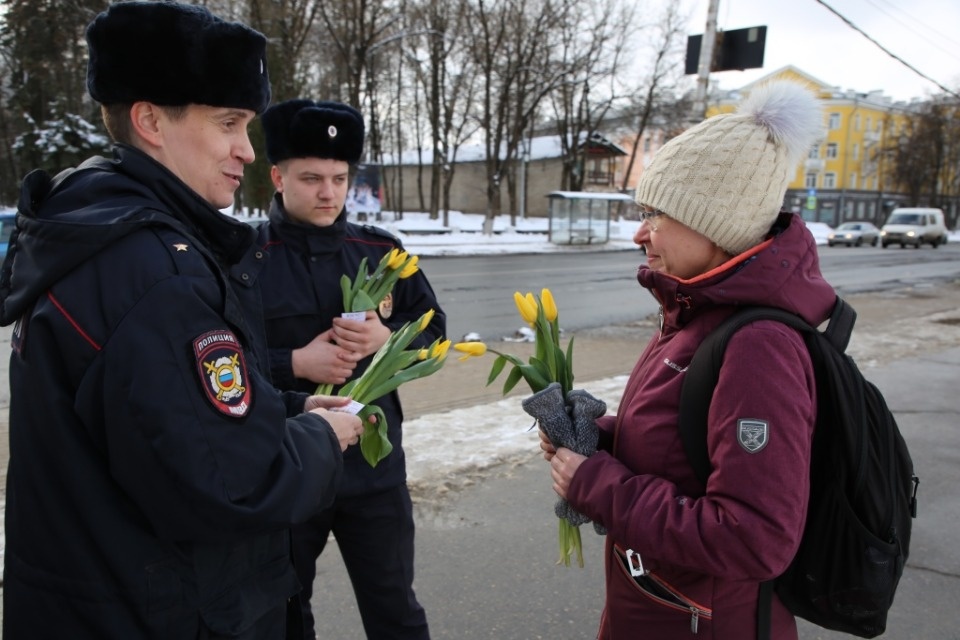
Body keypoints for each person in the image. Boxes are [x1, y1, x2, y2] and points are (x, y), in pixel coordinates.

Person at [0, 3, 365, 638]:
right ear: (149, 121)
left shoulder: (106, 230)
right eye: (228, 123)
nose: (246, 151)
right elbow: (233, 485)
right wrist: (323, 442)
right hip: (152, 610)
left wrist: (281, 409)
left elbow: (158, 414)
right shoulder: (152, 269)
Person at [538, 81, 835, 639]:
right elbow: (689, 446)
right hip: (663, 610)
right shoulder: (695, 314)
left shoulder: (757, 346)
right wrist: (596, 437)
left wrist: (596, 483)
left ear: (716, 223)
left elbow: (752, 537)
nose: (638, 233)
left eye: (656, 213)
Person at [256, 99, 445, 639]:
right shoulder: (246, 257)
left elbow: (435, 339)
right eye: (311, 177)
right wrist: (293, 362)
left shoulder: (383, 253)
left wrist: (388, 338)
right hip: (285, 469)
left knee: (395, 611)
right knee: (285, 613)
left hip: (374, 472)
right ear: (277, 176)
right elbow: (219, 364)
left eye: (339, 178)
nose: (328, 192)